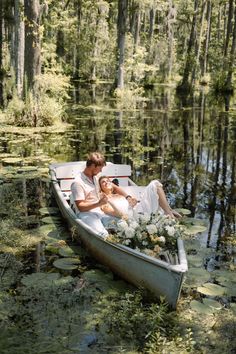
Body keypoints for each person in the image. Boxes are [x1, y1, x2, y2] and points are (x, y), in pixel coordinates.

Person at [70, 152, 135, 236]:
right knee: (103, 234)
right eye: (100, 168)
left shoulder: (95, 178)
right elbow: (81, 207)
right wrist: (98, 203)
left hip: (100, 213)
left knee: (124, 226)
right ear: (93, 166)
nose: (101, 171)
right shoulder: (78, 183)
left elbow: (114, 187)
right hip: (86, 214)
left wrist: (128, 197)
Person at [98, 175, 181, 220]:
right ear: (101, 187)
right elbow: (119, 215)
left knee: (155, 184)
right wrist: (110, 201)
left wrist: (132, 201)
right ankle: (169, 213)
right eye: (103, 182)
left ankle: (168, 211)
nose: (106, 183)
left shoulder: (118, 195)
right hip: (134, 216)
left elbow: (118, 189)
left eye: (108, 181)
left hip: (138, 207)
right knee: (154, 184)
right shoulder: (105, 202)